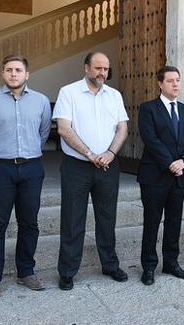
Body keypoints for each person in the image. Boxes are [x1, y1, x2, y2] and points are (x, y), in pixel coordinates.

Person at [0, 55, 52, 300]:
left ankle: (26, 271)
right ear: (3, 73)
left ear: (27, 74)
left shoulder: (40, 101)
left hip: (31, 168)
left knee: (29, 222)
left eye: (18, 70)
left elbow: (43, 132)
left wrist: (28, 153)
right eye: (9, 70)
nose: (13, 74)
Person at [53, 52, 129, 290]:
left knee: (107, 218)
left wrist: (110, 154)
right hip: (77, 166)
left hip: (108, 165)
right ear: (86, 68)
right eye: (98, 68)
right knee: (73, 220)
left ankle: (110, 264)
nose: (102, 73)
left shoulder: (114, 95)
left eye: (106, 69)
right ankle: (67, 272)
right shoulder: (69, 92)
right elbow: (64, 129)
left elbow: (122, 128)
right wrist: (90, 154)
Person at [137, 66, 184, 285]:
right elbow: (150, 139)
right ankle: (149, 266)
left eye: (178, 80)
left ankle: (171, 263)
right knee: (152, 223)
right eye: (171, 81)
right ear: (160, 84)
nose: (175, 84)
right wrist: (170, 163)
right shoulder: (148, 108)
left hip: (179, 176)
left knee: (174, 222)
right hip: (155, 176)